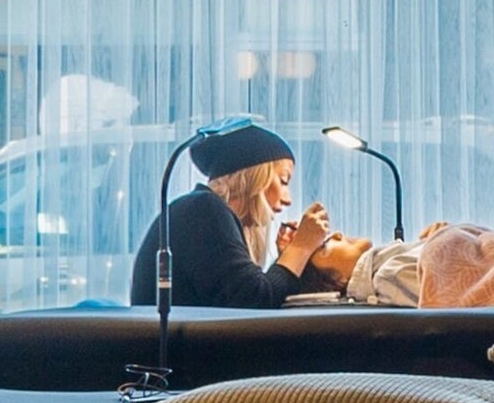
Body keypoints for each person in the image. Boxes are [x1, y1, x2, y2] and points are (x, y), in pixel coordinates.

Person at [131, 121, 341, 309]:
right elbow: (253, 299)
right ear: (254, 177)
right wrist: (300, 248)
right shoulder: (203, 209)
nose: (288, 199)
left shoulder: (200, 210)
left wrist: (286, 258)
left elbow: (245, 294)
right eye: (283, 181)